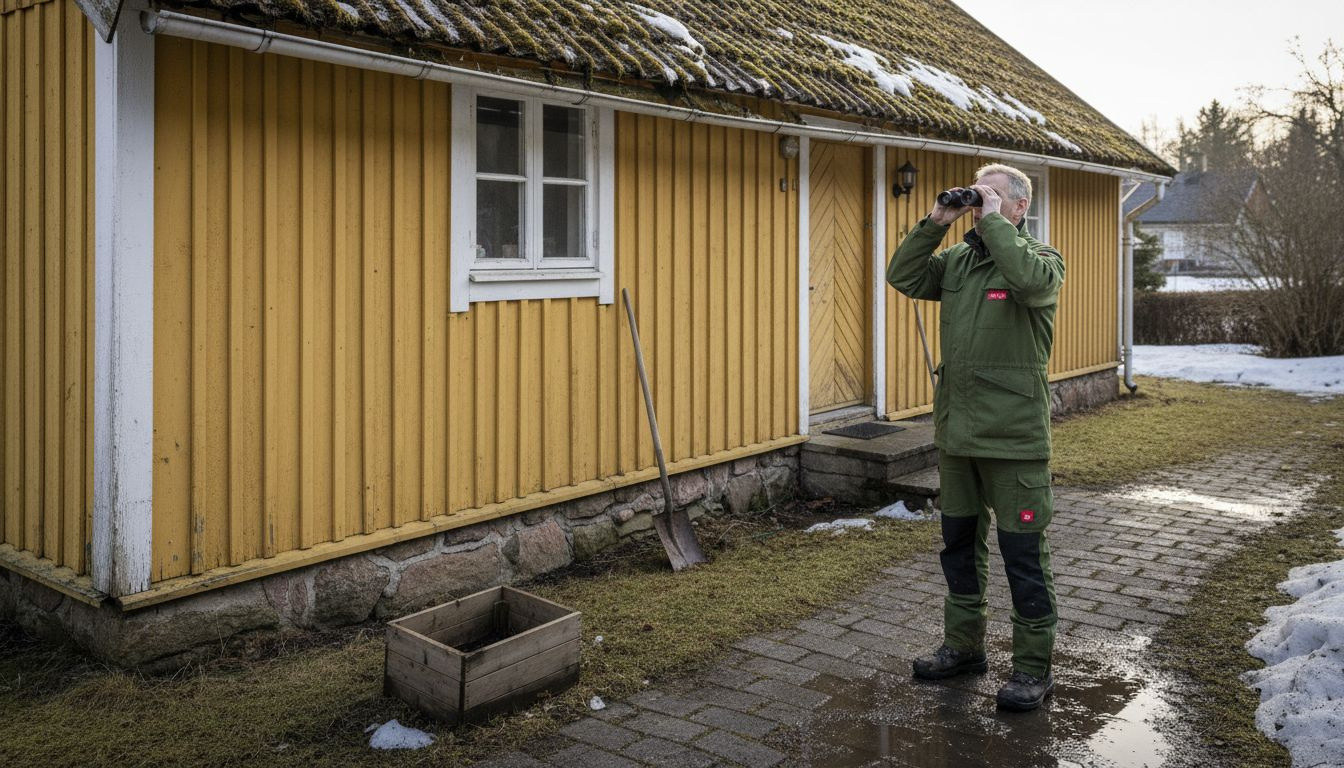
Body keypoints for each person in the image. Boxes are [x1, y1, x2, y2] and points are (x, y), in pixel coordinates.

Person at [885, 163, 1065, 711]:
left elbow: (1029, 282)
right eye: (976, 192)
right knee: (960, 549)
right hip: (958, 437)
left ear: (1018, 208)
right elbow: (905, 277)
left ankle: (1033, 669)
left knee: (1023, 557)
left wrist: (992, 224)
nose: (979, 201)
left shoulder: (1041, 261)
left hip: (1013, 442)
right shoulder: (960, 261)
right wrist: (937, 220)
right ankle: (964, 647)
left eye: (991, 195)